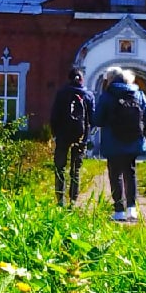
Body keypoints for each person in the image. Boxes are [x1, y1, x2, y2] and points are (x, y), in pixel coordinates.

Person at [94, 67, 146, 222]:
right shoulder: (139, 94)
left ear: (111, 79)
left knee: (115, 174)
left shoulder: (107, 95)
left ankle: (119, 210)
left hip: (113, 140)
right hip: (133, 139)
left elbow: (97, 119)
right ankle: (132, 209)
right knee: (130, 172)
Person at [49, 67, 95, 207]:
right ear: (82, 79)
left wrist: (55, 134)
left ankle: (60, 200)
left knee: (60, 167)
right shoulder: (88, 95)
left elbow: (54, 116)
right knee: (75, 170)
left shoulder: (61, 93)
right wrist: (87, 134)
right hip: (81, 137)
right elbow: (93, 118)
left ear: (69, 78)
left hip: (63, 135)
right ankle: (73, 202)